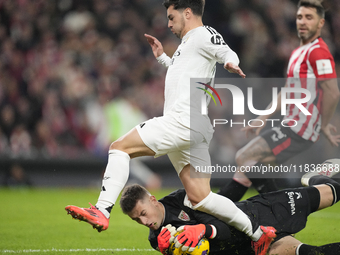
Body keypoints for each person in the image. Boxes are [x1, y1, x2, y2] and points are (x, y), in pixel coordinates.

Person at [65, 1, 275, 254]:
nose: (168, 23)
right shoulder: (188, 43)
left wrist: (231, 62)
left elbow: (226, 51)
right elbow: (185, 73)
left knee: (119, 148)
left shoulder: (204, 34)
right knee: (202, 198)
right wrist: (164, 58)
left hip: (182, 122)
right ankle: (258, 234)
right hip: (194, 128)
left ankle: (101, 209)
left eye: (171, 17)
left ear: (187, 13)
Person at [219, 0, 340, 202]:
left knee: (244, 157)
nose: (302, 21)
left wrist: (324, 123)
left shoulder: (319, 52)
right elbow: (288, 90)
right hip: (292, 123)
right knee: (251, 167)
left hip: (301, 128)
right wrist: (264, 116)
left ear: (320, 23)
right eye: (300, 16)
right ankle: (224, 210)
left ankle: (279, 211)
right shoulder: (298, 52)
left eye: (309, 17)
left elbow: (333, 92)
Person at [119, 158, 340, 255]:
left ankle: (316, 178)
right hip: (253, 244)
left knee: (334, 192)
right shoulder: (155, 240)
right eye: (137, 220)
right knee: (311, 253)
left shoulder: (183, 200)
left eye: (143, 214)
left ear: (153, 200)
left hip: (262, 212)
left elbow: (222, 213)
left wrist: (202, 230)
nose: (145, 222)